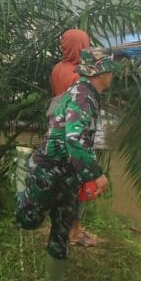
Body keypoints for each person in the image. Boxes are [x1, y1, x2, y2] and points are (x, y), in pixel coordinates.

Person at [16, 48, 117, 281]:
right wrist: (96, 175)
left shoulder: (88, 94)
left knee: (62, 226)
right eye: (109, 68)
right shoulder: (83, 96)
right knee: (27, 220)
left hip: (67, 175)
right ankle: (18, 181)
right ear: (99, 71)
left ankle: (54, 280)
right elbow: (74, 141)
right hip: (48, 171)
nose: (112, 74)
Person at [50, 29, 99, 247]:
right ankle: (74, 232)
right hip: (74, 133)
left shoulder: (57, 69)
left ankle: (62, 228)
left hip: (55, 130)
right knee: (77, 183)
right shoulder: (79, 76)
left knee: (61, 181)